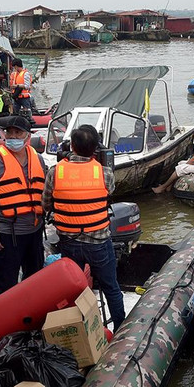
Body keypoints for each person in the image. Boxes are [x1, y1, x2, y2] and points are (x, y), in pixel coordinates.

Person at [44, 123, 124, 326]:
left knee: (73, 289)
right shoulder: (104, 173)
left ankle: (78, 328)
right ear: (96, 148)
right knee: (111, 287)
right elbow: (109, 192)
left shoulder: (55, 172)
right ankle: (121, 328)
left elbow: (46, 204)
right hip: (98, 242)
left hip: (68, 242)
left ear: (71, 145)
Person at [0, 116, 46, 296]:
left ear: (27, 136)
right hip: (7, 235)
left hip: (34, 232)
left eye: (18, 132)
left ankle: (31, 319)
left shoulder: (38, 159)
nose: (13, 137)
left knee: (35, 282)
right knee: (4, 286)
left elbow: (44, 193)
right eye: (10, 132)